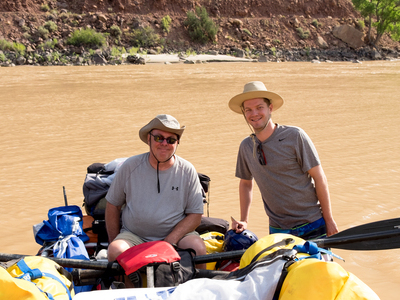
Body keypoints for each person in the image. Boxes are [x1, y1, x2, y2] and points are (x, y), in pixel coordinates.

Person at [228, 81, 339, 239]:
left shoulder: (295, 136)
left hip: (312, 223)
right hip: (278, 230)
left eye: (260, 107)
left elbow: (319, 176)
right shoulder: (246, 146)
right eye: (248, 110)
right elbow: (245, 183)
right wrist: (244, 220)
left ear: (270, 108)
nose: (254, 114)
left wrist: (329, 219)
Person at [105, 114, 207, 270]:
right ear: (149, 139)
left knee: (198, 248)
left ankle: (195, 291)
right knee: (115, 250)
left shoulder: (187, 170)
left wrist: (170, 240)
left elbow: (195, 215)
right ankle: (130, 291)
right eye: (159, 138)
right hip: (134, 236)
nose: (164, 143)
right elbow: (112, 205)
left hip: (176, 235)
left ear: (177, 142)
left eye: (171, 139)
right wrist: (113, 240)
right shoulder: (130, 166)